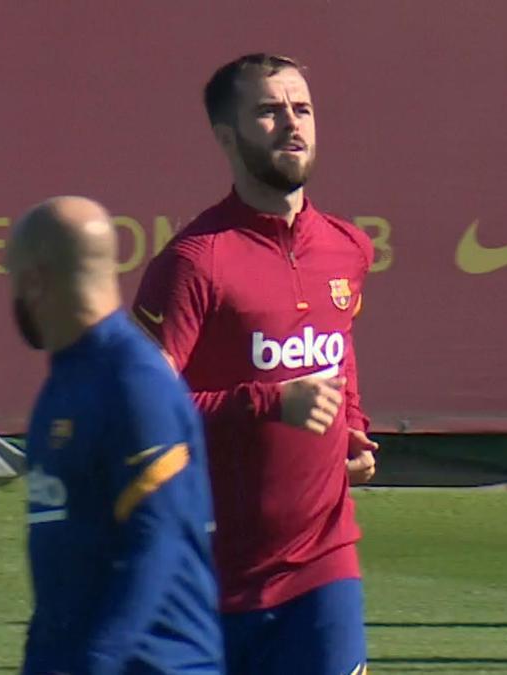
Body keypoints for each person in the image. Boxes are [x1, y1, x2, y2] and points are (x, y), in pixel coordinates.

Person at [133, 54, 377, 675]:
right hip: (208, 572)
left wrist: (351, 422)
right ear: (225, 137)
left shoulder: (348, 247)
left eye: (302, 108)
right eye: (268, 111)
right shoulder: (196, 261)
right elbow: (141, 413)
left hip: (324, 563)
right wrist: (268, 402)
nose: (292, 124)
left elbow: (337, 348)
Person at [9, 196, 223, 675]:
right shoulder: (61, 388)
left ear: (36, 282)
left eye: (14, 282)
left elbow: (157, 542)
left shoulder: (135, 383)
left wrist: (97, 662)